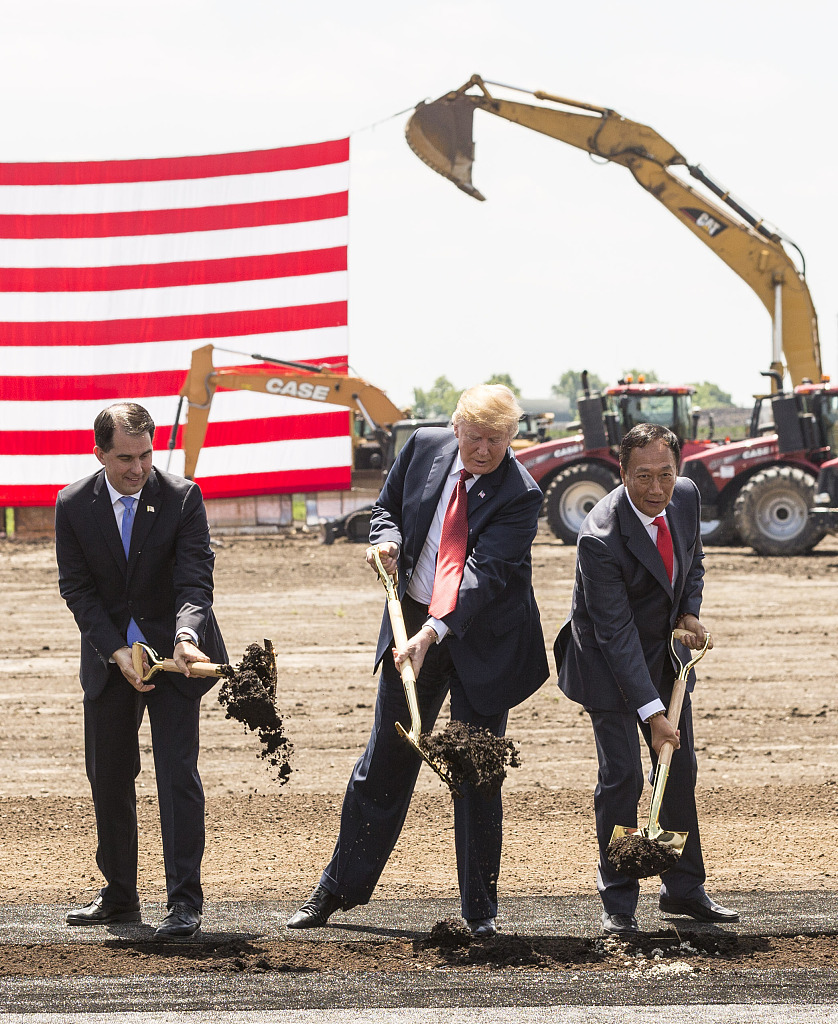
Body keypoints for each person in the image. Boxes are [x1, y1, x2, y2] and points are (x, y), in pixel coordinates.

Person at [287, 384, 549, 936]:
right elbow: (386, 510)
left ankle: (479, 913)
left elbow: (482, 576)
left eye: (496, 441)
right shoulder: (423, 448)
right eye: (475, 437)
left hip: (482, 642)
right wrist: (387, 539)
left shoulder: (521, 494)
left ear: (511, 437)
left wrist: (433, 631)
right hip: (411, 627)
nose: (483, 450)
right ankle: (336, 890)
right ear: (455, 428)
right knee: (384, 762)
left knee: (476, 774)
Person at [554, 422, 738, 934]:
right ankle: (618, 900)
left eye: (665, 474)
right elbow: (614, 635)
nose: (656, 488)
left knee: (678, 770)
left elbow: (693, 560)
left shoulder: (685, 497)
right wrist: (653, 714)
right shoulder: (599, 536)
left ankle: (683, 889)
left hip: (665, 657)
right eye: (642, 477)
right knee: (624, 778)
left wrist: (690, 613)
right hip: (605, 665)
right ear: (622, 473)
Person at [55, 402, 226, 939]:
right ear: (99, 452)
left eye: (147, 454)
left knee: (176, 776)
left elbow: (194, 579)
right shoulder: (72, 505)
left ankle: (183, 904)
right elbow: (77, 589)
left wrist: (185, 638)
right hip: (110, 661)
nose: (138, 468)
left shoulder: (182, 497)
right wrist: (114, 650)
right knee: (108, 775)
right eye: (125, 457)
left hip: (177, 660)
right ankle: (120, 897)